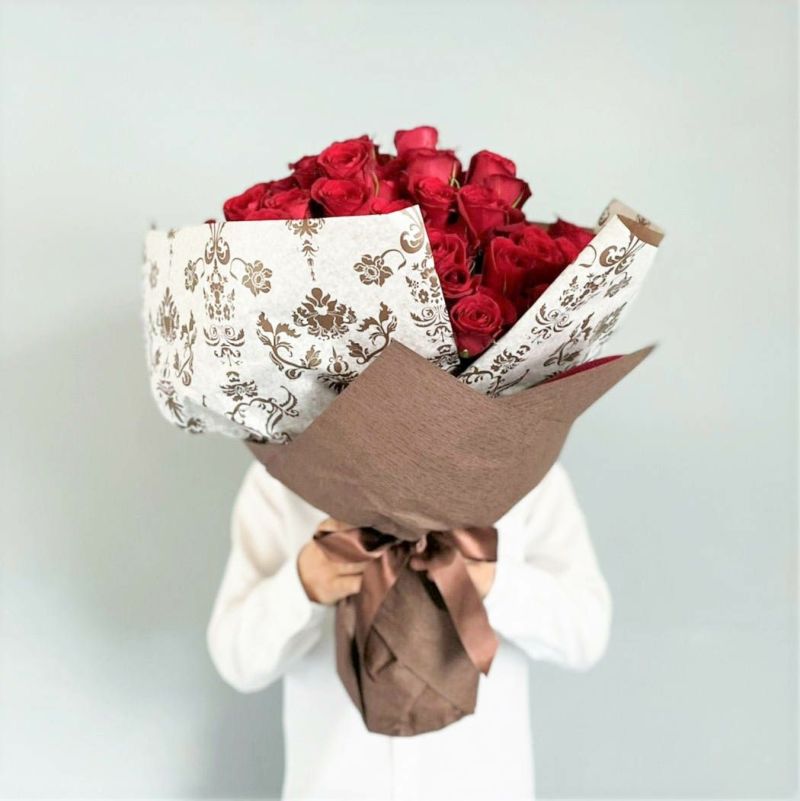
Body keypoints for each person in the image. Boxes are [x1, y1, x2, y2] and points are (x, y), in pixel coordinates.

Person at [208, 461, 611, 801]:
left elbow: (587, 633)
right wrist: (302, 585)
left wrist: (493, 581)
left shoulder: (528, 473)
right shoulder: (281, 479)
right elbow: (236, 661)